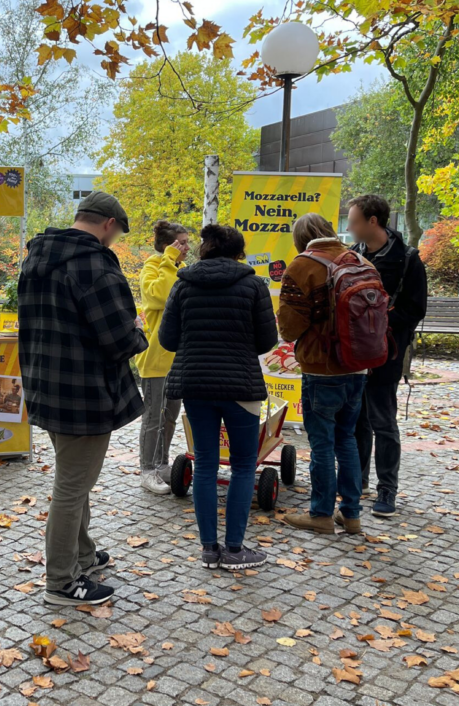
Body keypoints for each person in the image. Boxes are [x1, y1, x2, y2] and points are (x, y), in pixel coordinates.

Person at [18, 191, 147, 606]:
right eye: (117, 234)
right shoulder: (92, 263)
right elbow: (118, 338)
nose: (114, 241)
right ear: (108, 224)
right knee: (72, 487)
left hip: (47, 386)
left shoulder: (38, 258)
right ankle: (60, 581)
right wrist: (139, 334)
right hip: (85, 393)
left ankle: (83, 556)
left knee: (76, 480)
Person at [158, 225, 278, 570]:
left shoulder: (183, 284)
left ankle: (209, 550)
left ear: (205, 250)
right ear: (239, 252)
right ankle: (235, 549)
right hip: (241, 386)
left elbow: (168, 339)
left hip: (195, 384)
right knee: (243, 466)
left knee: (206, 466)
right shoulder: (254, 285)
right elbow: (266, 340)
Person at [277, 213, 366, 535]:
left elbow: (289, 329)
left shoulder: (302, 266)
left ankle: (321, 514)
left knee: (323, 444)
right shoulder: (357, 259)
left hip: (322, 368)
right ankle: (351, 514)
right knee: (347, 440)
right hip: (358, 365)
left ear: (300, 239)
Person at [347, 195, 427, 518]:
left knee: (382, 421)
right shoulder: (352, 256)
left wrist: (377, 320)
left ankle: (387, 490)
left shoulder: (408, 259)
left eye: (353, 221)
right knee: (356, 421)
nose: (349, 227)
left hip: (386, 354)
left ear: (373, 222)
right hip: (353, 355)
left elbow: (415, 309)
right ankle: (359, 482)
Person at [134, 220, 189, 494]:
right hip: (155, 357)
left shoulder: (180, 269)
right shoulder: (153, 266)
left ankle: (162, 463)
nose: (187, 247)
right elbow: (160, 297)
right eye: (182, 242)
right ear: (169, 246)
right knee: (153, 417)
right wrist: (168, 260)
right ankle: (147, 469)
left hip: (178, 359)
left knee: (170, 416)